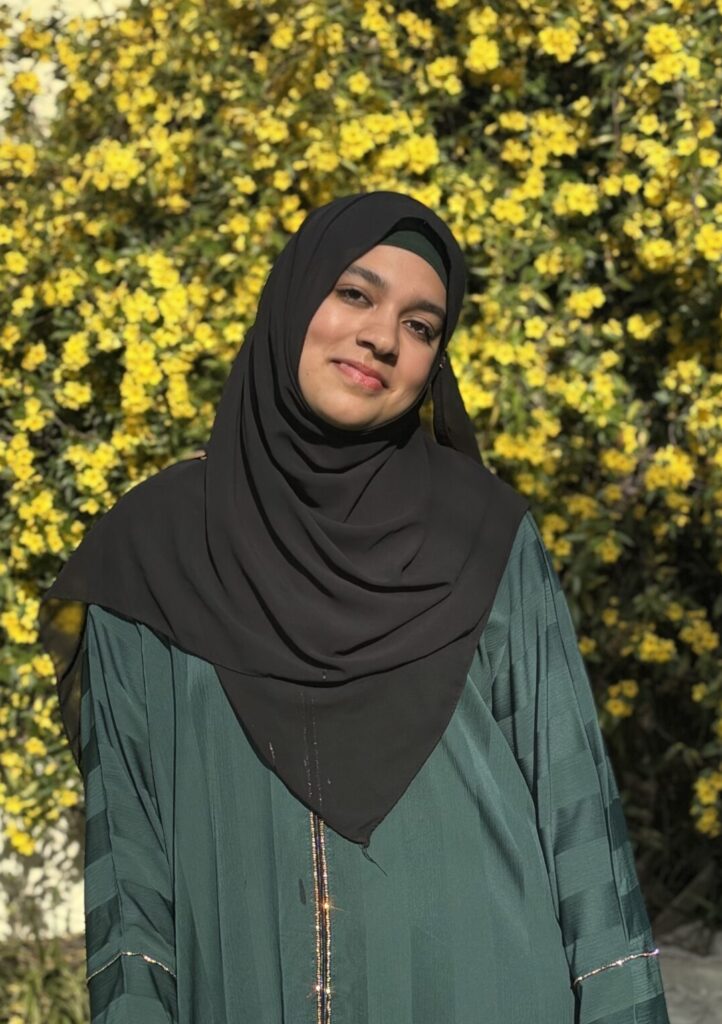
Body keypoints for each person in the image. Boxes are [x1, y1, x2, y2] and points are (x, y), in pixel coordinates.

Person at [38, 190, 670, 1023]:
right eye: (354, 294)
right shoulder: (152, 553)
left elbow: (574, 807)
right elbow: (131, 859)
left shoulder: (483, 536)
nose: (383, 337)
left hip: (490, 988)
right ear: (295, 297)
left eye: (421, 326)